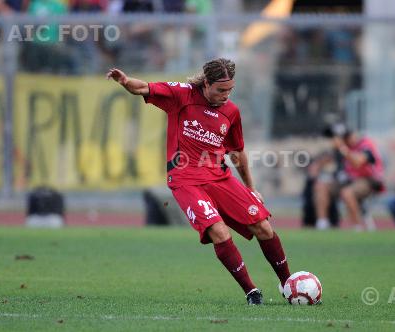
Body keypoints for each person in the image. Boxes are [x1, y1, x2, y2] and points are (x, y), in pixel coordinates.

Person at [106, 58, 290, 305]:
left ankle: (289, 285)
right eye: (220, 90)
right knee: (219, 232)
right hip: (185, 179)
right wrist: (126, 82)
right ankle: (251, 292)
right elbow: (144, 88)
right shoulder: (181, 95)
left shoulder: (232, 112)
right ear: (206, 83)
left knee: (264, 227)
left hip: (219, 176)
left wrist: (251, 188)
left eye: (230, 90)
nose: (226, 95)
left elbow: (236, 152)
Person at [314, 124, 384, 230]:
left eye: (336, 137)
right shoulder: (342, 149)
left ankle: (357, 227)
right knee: (321, 186)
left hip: (369, 180)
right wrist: (317, 165)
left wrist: (342, 147)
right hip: (350, 180)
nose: (334, 141)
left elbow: (358, 162)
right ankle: (322, 224)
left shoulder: (365, 144)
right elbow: (329, 161)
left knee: (347, 193)